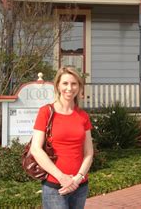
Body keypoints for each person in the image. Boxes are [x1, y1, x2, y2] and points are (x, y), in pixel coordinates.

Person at [31, 66, 94, 209]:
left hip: (80, 186)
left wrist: (77, 179)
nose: (69, 88)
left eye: (74, 84)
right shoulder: (46, 112)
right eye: (65, 83)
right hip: (55, 187)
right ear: (58, 85)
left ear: (79, 87)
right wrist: (62, 177)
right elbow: (36, 149)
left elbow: (89, 153)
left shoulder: (83, 116)